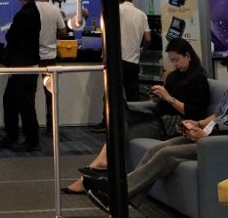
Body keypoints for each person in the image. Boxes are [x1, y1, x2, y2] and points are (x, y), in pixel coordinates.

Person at [82, 48, 228, 212]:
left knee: (166, 155)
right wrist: (198, 124)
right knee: (157, 149)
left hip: (220, 144)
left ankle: (116, 195)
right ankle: (121, 198)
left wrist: (207, 137)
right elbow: (219, 115)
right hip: (208, 135)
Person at [62, 38, 210, 194]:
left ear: (188, 55)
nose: (174, 64)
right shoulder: (174, 76)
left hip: (170, 124)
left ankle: (98, 169)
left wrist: (168, 98)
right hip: (158, 117)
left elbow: (194, 113)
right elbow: (166, 104)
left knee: (121, 132)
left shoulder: (198, 79)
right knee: (120, 120)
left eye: (176, 59)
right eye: (172, 60)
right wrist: (158, 98)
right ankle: (100, 168)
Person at [92, 0, 151, 132]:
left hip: (115, 60)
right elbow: (148, 38)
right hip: (133, 60)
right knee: (132, 94)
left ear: (118, 0)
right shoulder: (141, 14)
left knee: (110, 93)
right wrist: (141, 49)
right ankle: (134, 124)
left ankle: (107, 123)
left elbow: (104, 33)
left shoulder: (114, 11)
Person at [0, 0, 42, 152]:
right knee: (19, 101)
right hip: (29, 63)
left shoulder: (24, 14)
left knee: (19, 102)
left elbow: (12, 37)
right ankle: (18, 136)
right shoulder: (35, 11)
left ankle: (26, 138)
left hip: (22, 65)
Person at [35, 0, 68, 133]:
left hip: (33, 56)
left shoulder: (31, 8)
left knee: (30, 93)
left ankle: (31, 126)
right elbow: (63, 32)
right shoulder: (55, 10)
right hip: (50, 57)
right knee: (50, 93)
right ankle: (51, 126)